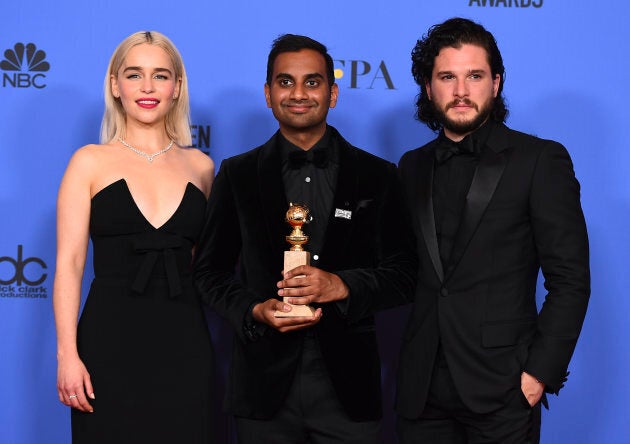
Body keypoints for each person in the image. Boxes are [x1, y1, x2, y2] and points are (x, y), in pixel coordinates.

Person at [193, 34, 417, 443]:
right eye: (285, 82)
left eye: (312, 82)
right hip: (262, 391)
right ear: (267, 93)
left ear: (332, 94)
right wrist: (255, 310)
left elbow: (405, 274)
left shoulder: (378, 176)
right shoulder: (237, 174)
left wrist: (342, 285)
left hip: (349, 389)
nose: (298, 93)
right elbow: (209, 272)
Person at [396, 17, 590, 443]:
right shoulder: (412, 166)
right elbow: (405, 271)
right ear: (428, 88)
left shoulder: (539, 160)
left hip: (503, 389)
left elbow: (570, 279)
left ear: (496, 84)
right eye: (447, 76)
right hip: (421, 388)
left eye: (475, 76)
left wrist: (539, 372)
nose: (461, 91)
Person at [53, 31, 215, 443]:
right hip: (108, 340)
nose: (147, 87)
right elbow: (70, 265)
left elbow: (203, 262)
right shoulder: (88, 162)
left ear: (176, 88)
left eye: (160, 76)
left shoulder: (201, 166)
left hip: (184, 340)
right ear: (114, 85)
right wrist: (67, 355)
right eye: (134, 74)